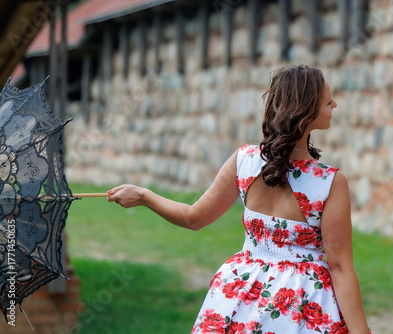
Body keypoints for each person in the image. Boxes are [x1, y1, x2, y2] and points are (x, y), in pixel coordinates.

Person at [107, 64, 372, 333]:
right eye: (328, 101)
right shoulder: (330, 183)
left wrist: (143, 195)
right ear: (307, 110)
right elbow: (339, 268)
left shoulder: (244, 161)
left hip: (241, 294)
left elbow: (193, 218)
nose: (335, 105)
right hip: (302, 305)